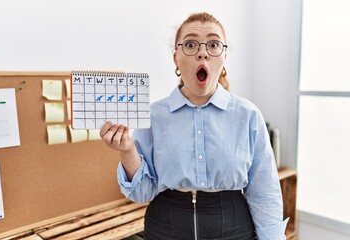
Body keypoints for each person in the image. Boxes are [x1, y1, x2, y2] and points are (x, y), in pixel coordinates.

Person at [100, 12, 288, 240]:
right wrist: (127, 150)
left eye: (213, 44)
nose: (202, 52)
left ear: (224, 56)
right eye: (190, 44)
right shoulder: (153, 115)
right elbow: (142, 193)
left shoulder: (247, 115)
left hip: (234, 230)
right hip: (163, 229)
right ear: (176, 58)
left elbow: (264, 190)